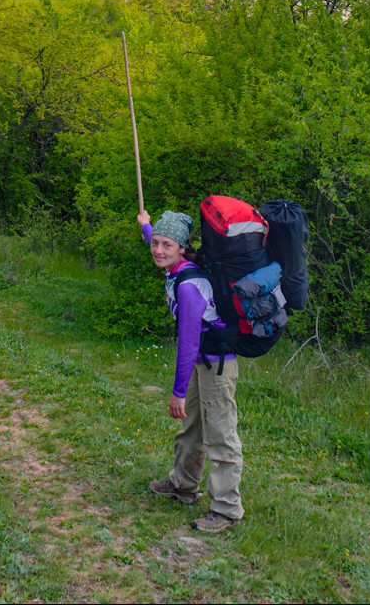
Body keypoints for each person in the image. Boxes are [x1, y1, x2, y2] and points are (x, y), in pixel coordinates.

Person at [137, 208, 244, 533]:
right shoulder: (176, 266)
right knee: (192, 426)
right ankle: (182, 486)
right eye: (155, 243)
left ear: (181, 249)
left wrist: (178, 393)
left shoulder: (187, 286)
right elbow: (158, 238)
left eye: (166, 245)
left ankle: (226, 509)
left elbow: (187, 343)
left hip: (216, 364)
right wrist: (146, 225)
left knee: (220, 435)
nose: (158, 250)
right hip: (202, 359)